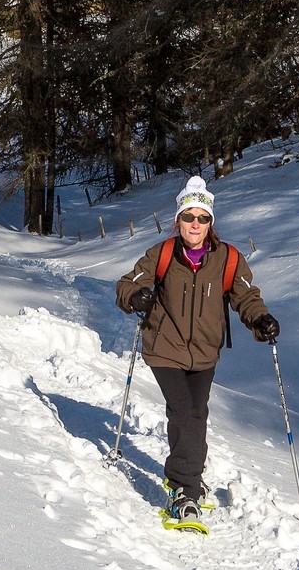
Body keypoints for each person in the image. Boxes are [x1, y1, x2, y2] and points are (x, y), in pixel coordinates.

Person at [115, 175, 280, 524]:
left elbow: (246, 296)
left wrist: (260, 319)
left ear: (211, 222)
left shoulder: (229, 259)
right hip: (164, 347)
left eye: (202, 218)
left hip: (205, 352)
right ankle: (185, 490)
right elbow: (128, 284)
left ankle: (189, 475)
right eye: (189, 217)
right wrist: (135, 297)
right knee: (185, 411)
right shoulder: (161, 255)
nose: (195, 224)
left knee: (196, 414)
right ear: (178, 220)